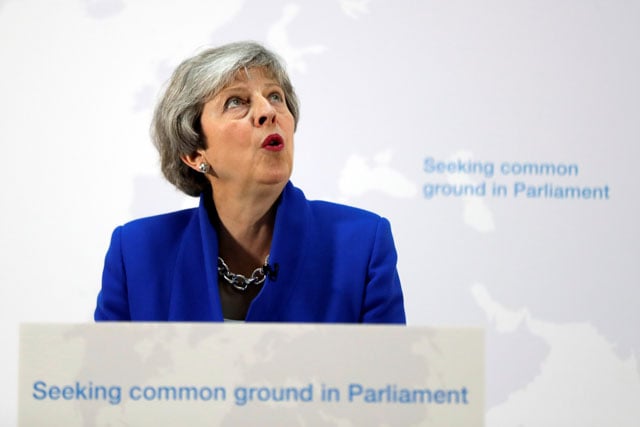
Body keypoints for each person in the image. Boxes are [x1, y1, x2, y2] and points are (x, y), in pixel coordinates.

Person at [94, 41, 405, 323]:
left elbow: (390, 380)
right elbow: (106, 380)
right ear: (193, 151)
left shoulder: (363, 244)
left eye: (275, 96)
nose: (268, 111)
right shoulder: (137, 252)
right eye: (236, 102)